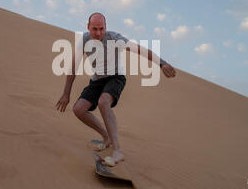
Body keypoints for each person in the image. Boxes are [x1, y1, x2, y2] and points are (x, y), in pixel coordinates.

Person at [55, 12, 176, 167]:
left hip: (116, 77)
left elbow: (141, 50)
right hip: (97, 80)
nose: (98, 33)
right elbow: (73, 67)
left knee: (103, 102)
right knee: (78, 109)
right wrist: (66, 93)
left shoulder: (114, 38)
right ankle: (106, 137)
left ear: (106, 27)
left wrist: (162, 63)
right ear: (88, 27)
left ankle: (117, 151)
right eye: (94, 29)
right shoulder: (84, 40)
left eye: (101, 29)